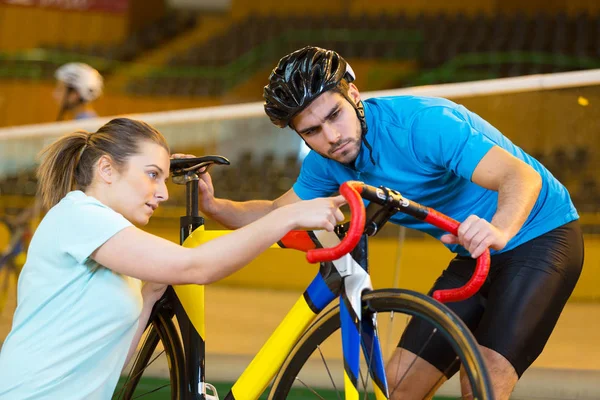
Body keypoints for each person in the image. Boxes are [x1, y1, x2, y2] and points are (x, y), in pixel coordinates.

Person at [195, 46, 584, 400]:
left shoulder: (422, 124)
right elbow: (278, 216)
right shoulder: (326, 161)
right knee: (397, 387)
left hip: (540, 236)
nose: (331, 137)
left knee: (481, 387)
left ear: (354, 95)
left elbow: (521, 177)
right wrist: (216, 206)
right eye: (312, 131)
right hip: (474, 251)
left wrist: (500, 227)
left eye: (335, 115)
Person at [0, 117, 345, 399]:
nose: (164, 193)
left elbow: (112, 362)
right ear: (106, 169)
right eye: (152, 175)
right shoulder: (79, 214)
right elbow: (196, 266)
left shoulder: (116, 247)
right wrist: (288, 216)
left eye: (164, 179)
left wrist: (148, 295)